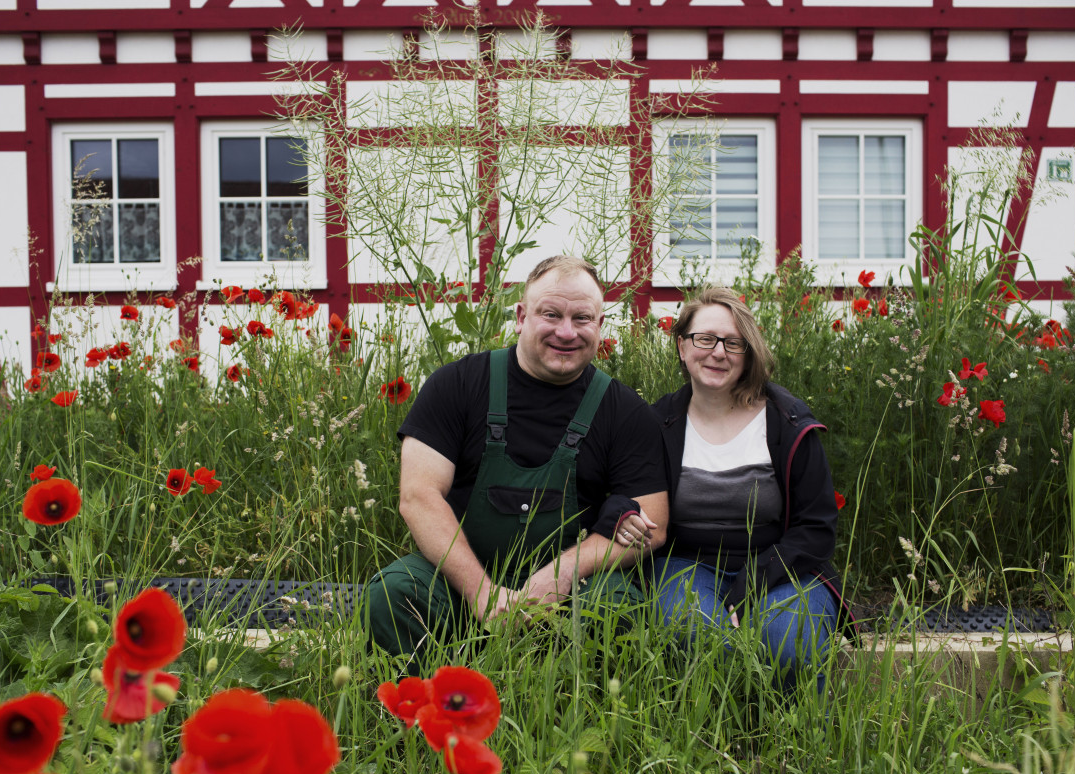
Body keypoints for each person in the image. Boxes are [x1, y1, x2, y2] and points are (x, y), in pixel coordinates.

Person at [364, 255, 669, 665]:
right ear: (522, 316)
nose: (566, 331)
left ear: (600, 325)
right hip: (459, 582)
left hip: (569, 594)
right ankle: (422, 713)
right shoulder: (456, 385)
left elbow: (655, 522)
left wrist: (561, 574)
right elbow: (418, 496)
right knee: (393, 591)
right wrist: (481, 592)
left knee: (617, 606)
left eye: (582, 318)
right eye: (551, 314)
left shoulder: (625, 411)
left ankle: (585, 718)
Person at [615, 287, 851, 695]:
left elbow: (818, 528)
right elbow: (624, 493)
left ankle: (798, 747)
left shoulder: (789, 422)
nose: (718, 352)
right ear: (682, 347)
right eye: (704, 339)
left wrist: (754, 582)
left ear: (749, 352)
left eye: (733, 342)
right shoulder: (656, 424)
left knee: (788, 643)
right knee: (702, 640)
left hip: (783, 567)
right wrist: (620, 513)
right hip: (685, 565)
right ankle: (717, 748)